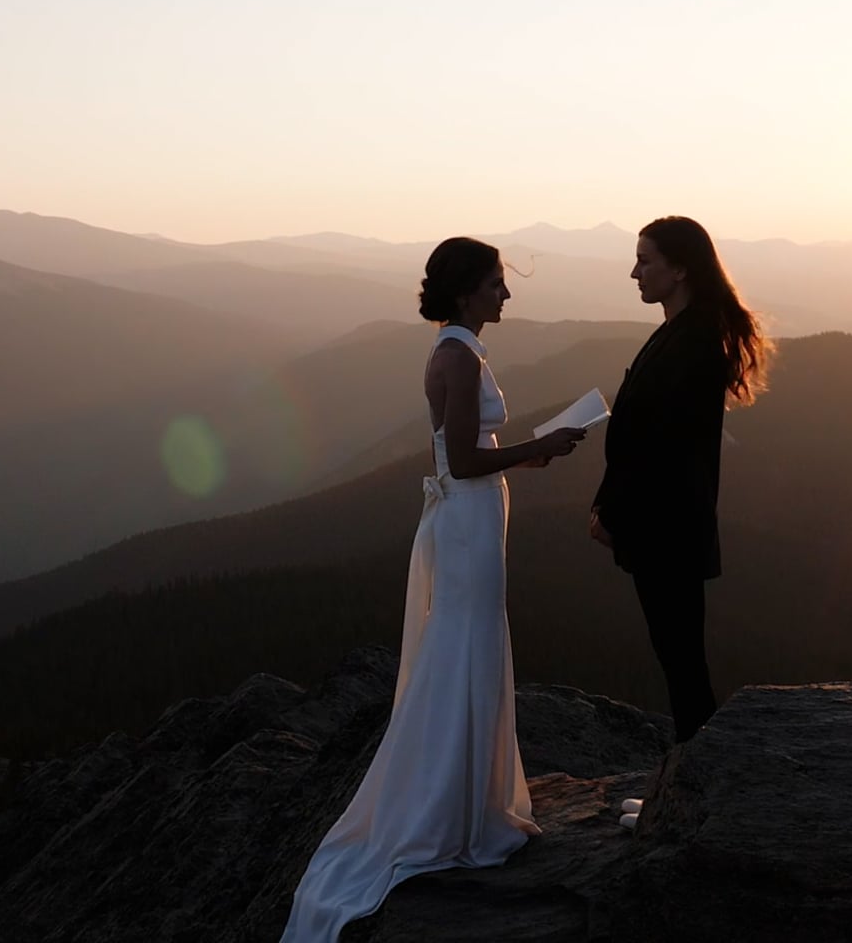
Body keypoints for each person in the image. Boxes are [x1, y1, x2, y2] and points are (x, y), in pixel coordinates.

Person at [280, 237, 587, 943]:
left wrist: (527, 458)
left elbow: (469, 456)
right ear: (464, 293)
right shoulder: (456, 355)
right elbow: (470, 458)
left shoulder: (459, 350)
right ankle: (455, 811)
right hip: (468, 519)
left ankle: (466, 798)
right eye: (496, 284)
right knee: (466, 643)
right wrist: (541, 446)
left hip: (473, 516)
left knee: (471, 640)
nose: (506, 295)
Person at [589, 217, 770, 825]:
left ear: (680, 268)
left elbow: (659, 448)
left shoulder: (692, 342)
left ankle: (695, 800)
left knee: (683, 663)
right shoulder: (682, 332)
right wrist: (607, 502)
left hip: (665, 528)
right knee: (680, 658)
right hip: (664, 525)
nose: (634, 271)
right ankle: (697, 794)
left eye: (644, 260)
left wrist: (614, 510)